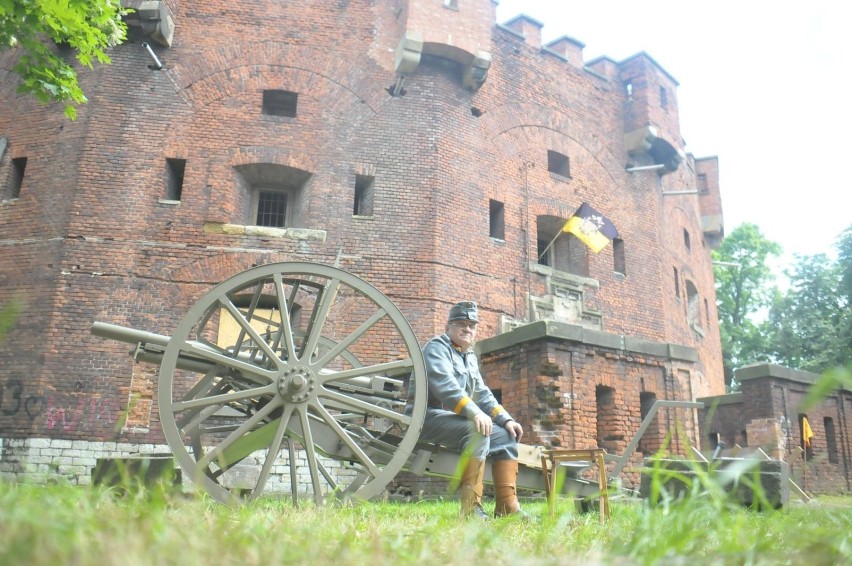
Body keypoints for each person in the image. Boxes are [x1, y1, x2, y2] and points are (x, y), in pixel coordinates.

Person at [413, 301, 527, 519]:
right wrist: (475, 413)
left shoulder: (469, 356)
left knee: (505, 436)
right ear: (448, 328)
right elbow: (446, 386)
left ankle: (507, 508)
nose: (467, 329)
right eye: (460, 324)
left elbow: (482, 392)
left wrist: (505, 419)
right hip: (422, 417)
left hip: (444, 417)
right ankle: (471, 509)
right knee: (478, 431)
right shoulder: (436, 348)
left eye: (471, 325)